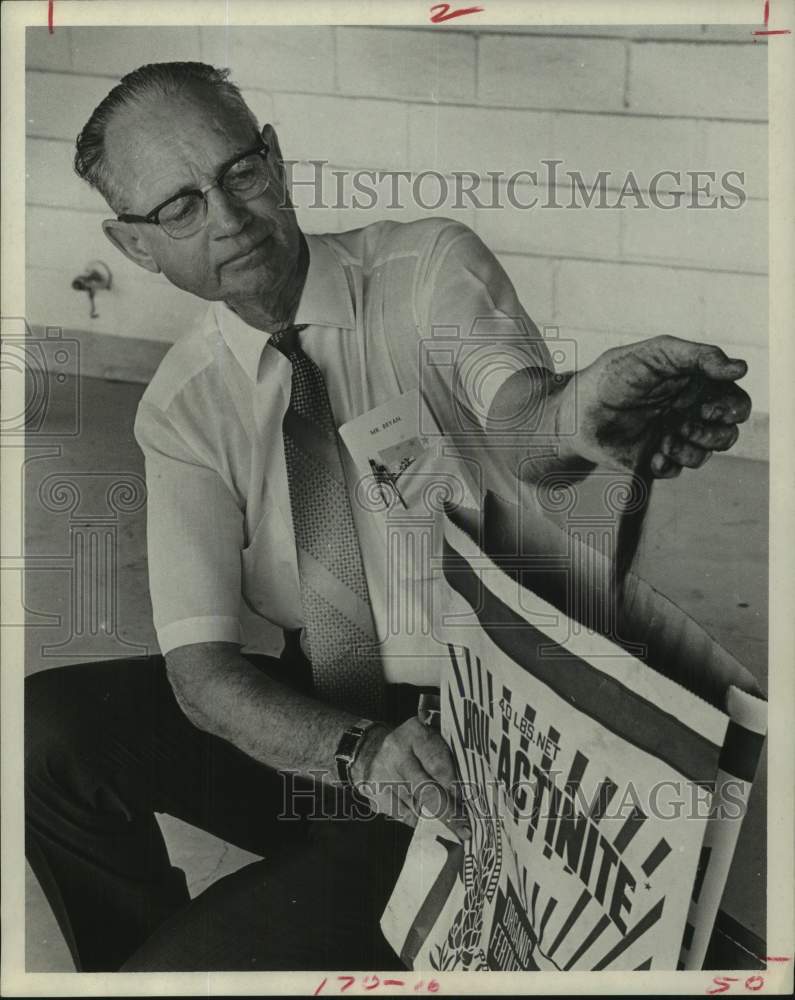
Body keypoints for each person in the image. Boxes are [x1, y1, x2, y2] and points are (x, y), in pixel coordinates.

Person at [25, 62, 752, 972]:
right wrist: (353, 754)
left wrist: (578, 414)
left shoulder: (424, 268)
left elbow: (522, 419)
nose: (227, 217)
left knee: (188, 971)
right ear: (134, 246)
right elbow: (203, 670)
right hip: (333, 730)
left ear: (277, 160)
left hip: (483, 740)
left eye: (239, 173)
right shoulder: (183, 403)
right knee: (47, 734)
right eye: (178, 207)